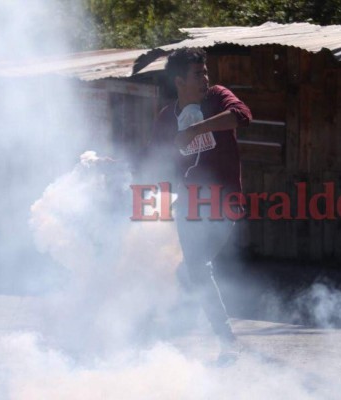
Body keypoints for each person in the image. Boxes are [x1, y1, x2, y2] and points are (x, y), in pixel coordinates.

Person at [148, 48, 252, 361]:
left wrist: (195, 129)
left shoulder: (218, 98)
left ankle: (219, 334)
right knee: (194, 269)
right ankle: (221, 338)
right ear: (179, 80)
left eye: (205, 72)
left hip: (225, 204)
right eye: (198, 74)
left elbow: (242, 116)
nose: (205, 79)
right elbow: (152, 158)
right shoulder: (167, 118)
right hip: (190, 206)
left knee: (195, 267)